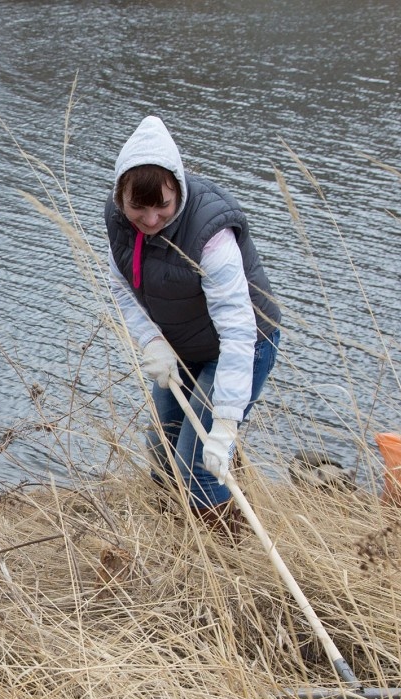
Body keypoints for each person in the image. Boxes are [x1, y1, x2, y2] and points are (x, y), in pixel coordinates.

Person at [104, 115, 281, 536]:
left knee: (198, 464)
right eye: (137, 207)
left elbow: (238, 330)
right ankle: (179, 544)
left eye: (161, 205)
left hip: (242, 346)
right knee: (162, 448)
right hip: (182, 346)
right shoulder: (118, 222)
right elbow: (120, 285)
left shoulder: (210, 235)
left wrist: (225, 422)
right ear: (120, 196)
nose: (149, 219)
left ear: (178, 190)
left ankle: (225, 564)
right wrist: (151, 341)